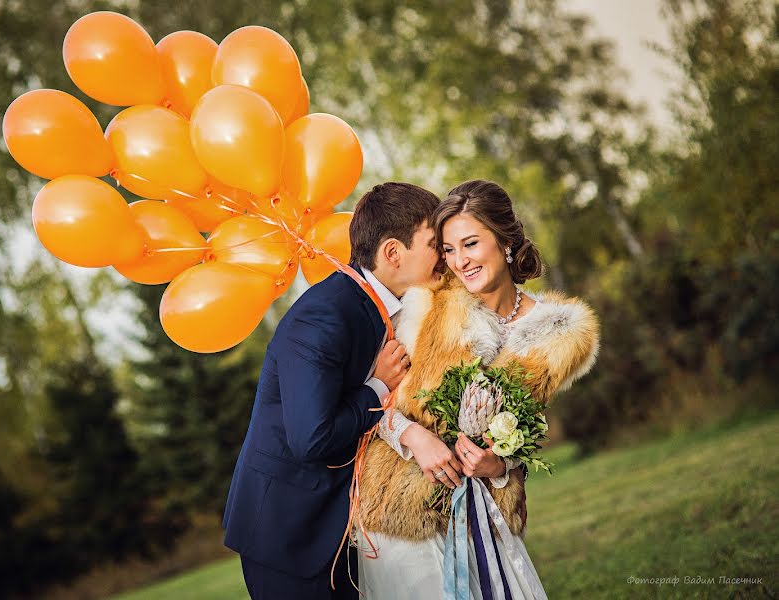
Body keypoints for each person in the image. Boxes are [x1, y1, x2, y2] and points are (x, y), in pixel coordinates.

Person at [357, 179, 601, 599]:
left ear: (504, 240)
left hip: (483, 523)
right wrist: (414, 437)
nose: (458, 262)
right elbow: (373, 403)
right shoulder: (426, 306)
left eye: (470, 244)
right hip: (401, 521)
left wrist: (499, 469)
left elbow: (520, 438)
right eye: (449, 250)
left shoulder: (555, 338)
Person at [222, 182, 456, 599]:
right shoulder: (324, 316)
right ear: (392, 253)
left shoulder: (391, 309)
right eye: (434, 243)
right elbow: (311, 438)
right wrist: (378, 386)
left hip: (345, 524)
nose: (445, 254)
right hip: (289, 530)